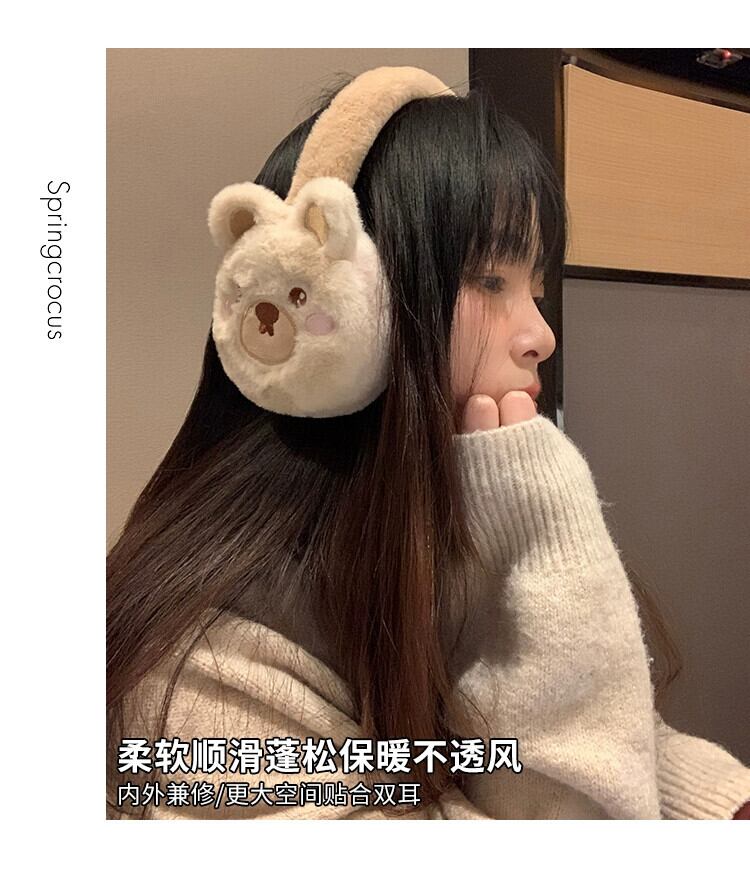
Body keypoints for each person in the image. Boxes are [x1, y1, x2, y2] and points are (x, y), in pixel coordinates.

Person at [107, 69, 750, 820]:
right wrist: (547, 528)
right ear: (349, 312)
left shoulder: (435, 523)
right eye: (490, 280)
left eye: (536, 289)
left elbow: (618, 731)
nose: (541, 336)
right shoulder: (206, 674)